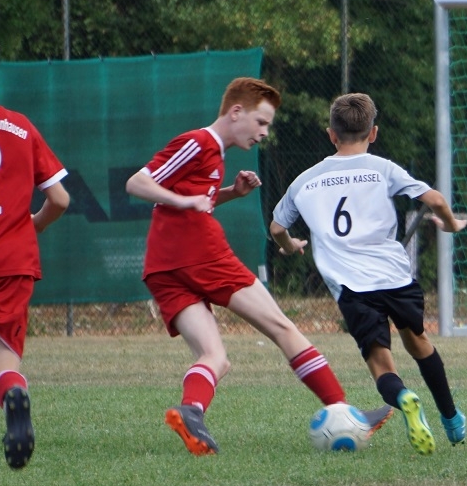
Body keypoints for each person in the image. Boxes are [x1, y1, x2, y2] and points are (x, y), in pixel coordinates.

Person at [125, 78, 392, 456]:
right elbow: (138, 183)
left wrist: (232, 193)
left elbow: (191, 196)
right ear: (236, 112)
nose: (264, 132)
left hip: (162, 265)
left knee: (215, 358)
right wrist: (185, 204)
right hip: (199, 253)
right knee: (283, 328)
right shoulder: (199, 142)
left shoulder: (213, 154)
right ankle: (343, 410)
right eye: (261, 122)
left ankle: (191, 412)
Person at [269, 93, 467, 455]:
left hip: (353, 288)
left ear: (331, 135)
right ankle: (452, 420)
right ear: (373, 133)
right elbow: (436, 200)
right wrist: (451, 225)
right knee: (419, 342)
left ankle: (404, 396)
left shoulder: (304, 181)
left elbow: (277, 226)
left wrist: (289, 245)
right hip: (396, 278)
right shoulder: (382, 169)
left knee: (380, 362)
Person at [0, 26, 70, 469]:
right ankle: (13, 392)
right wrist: (32, 225)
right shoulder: (19, 126)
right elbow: (60, 199)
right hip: (9, 261)